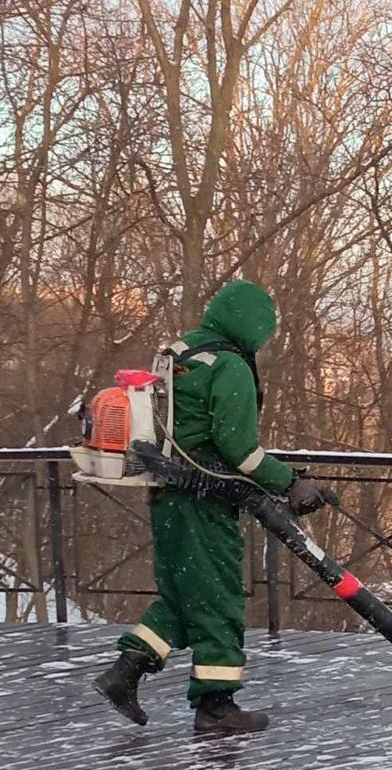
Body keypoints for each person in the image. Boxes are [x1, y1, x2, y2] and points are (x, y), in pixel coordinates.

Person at [94, 279, 324, 733]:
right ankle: (217, 706)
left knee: (185, 595)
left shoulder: (183, 352)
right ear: (252, 324)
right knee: (219, 598)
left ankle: (125, 672)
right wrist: (291, 482)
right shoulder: (230, 365)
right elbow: (241, 451)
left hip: (166, 489)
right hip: (203, 497)